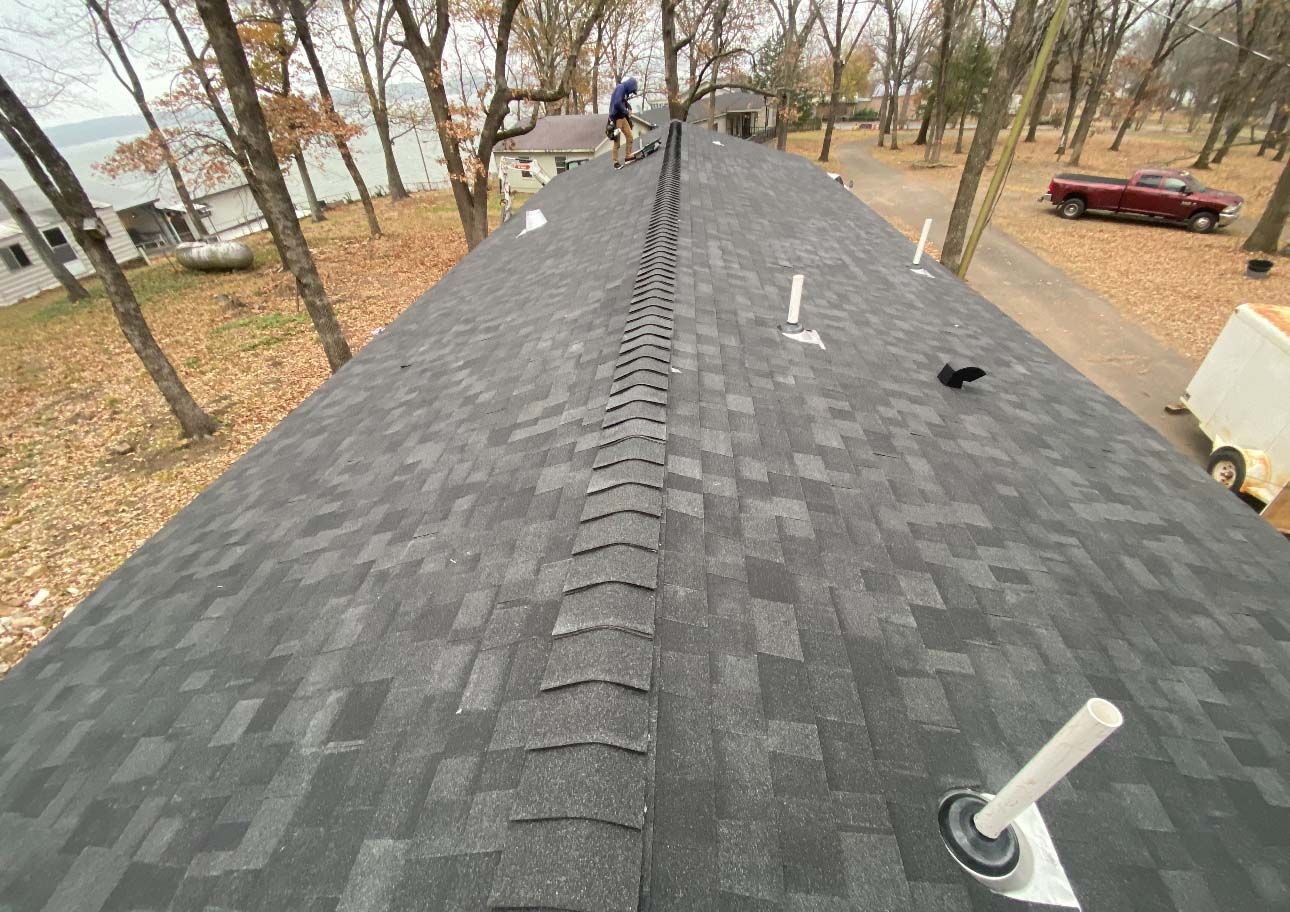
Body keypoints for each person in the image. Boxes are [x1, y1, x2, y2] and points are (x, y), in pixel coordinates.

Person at [607, 77, 638, 169]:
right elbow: (617, 103)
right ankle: (615, 162)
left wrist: (629, 107)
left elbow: (623, 101)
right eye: (632, 91)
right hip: (616, 119)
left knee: (630, 136)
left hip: (622, 117)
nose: (631, 93)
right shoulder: (620, 88)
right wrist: (626, 111)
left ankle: (628, 156)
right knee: (617, 142)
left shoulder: (624, 91)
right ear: (630, 86)